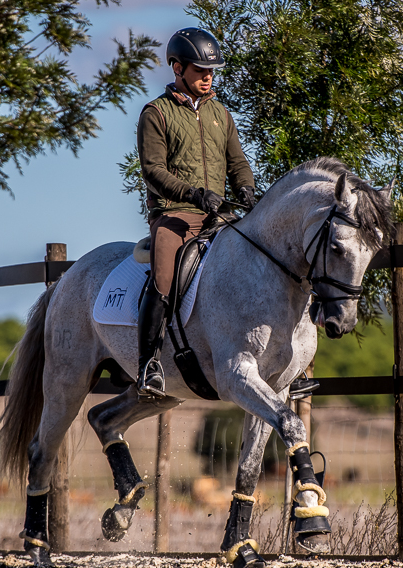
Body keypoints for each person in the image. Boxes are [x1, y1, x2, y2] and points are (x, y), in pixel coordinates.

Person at [135, 27, 256, 398]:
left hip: (218, 216)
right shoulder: (157, 113)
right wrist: (193, 193)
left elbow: (238, 164)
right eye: (201, 70)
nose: (208, 77)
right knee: (164, 277)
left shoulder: (221, 113)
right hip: (174, 214)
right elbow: (153, 170)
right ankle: (149, 366)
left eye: (212, 71)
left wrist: (247, 191)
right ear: (178, 68)